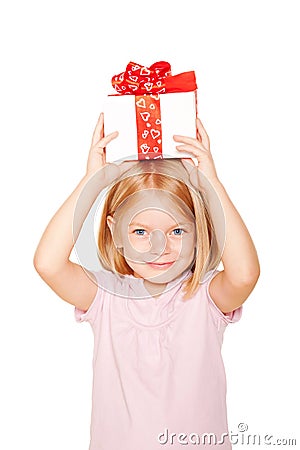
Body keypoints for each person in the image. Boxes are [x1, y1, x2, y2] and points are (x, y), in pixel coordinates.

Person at [33, 112, 260, 450]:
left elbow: (245, 275)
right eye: (140, 231)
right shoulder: (106, 298)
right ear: (115, 232)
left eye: (177, 231)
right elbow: (48, 264)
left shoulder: (205, 296)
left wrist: (211, 184)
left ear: (199, 230)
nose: (159, 247)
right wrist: (92, 180)